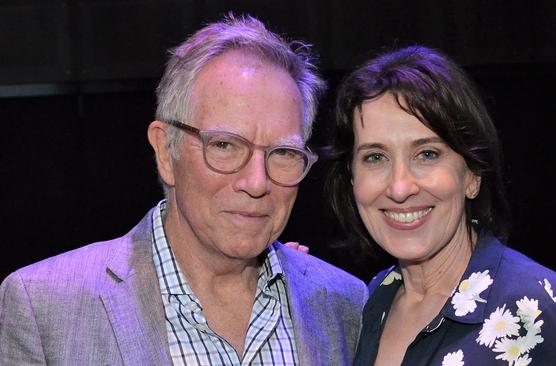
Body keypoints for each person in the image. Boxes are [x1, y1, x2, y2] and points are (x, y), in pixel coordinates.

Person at [0, 14, 367, 365]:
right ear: (165, 151)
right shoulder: (46, 307)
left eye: (283, 152)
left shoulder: (344, 304)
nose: (257, 183)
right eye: (224, 145)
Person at [326, 45, 556, 365]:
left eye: (427, 154)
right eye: (375, 157)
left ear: (472, 174)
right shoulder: (372, 301)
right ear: (352, 179)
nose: (400, 187)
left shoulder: (538, 310)